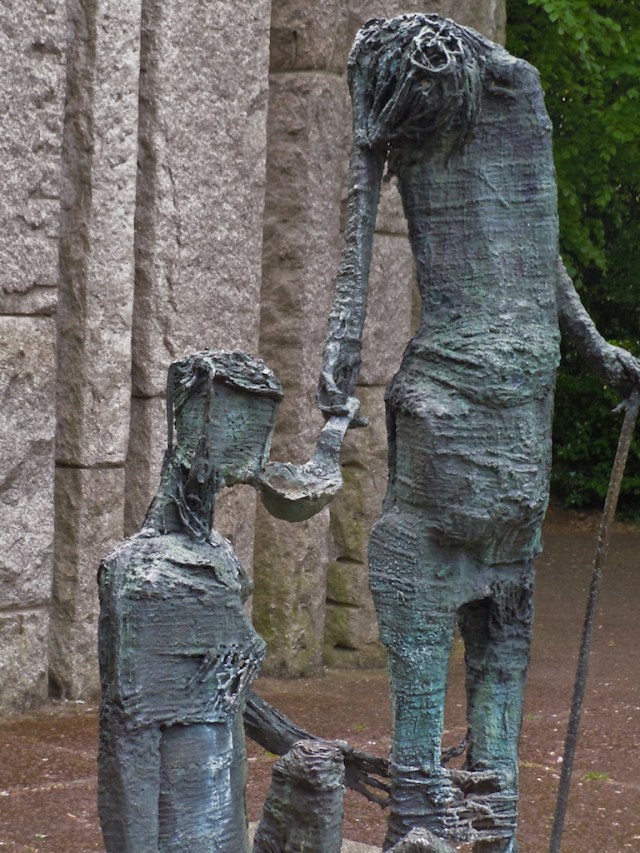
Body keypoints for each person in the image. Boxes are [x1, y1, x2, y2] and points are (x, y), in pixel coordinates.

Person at [317, 15, 640, 853]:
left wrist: (595, 348)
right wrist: (334, 392)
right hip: (465, 424)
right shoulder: (461, 90)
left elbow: (534, 241)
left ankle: (473, 826)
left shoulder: (494, 88)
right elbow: (362, 242)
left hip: (511, 429)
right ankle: (431, 819)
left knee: (494, 642)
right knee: (449, 640)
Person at [98, 350, 282, 853]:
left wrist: (303, 744)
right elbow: (129, 748)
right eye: (245, 423)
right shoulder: (142, 575)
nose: (257, 450)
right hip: (178, 826)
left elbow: (225, 697)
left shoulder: (219, 555)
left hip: (224, 810)